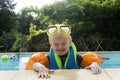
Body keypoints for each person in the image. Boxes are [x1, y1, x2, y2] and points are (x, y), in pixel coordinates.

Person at [25, 24, 103, 79]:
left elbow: (89, 64)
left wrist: (94, 64)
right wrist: (41, 67)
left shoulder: (77, 58)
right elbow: (34, 64)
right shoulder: (49, 59)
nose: (60, 47)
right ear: (51, 45)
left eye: (64, 43)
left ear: (70, 42)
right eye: (56, 44)